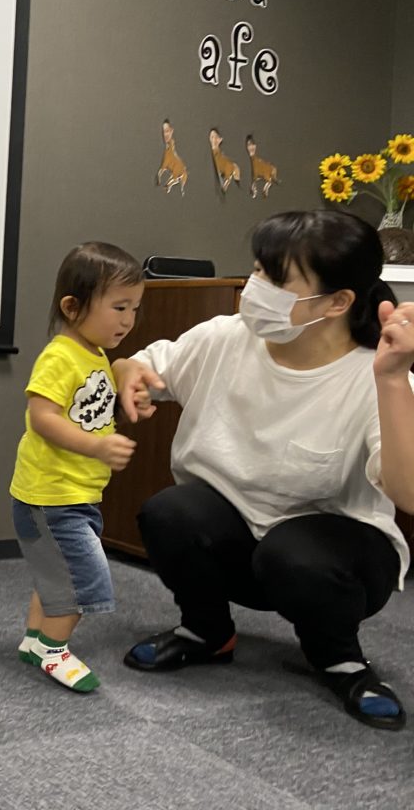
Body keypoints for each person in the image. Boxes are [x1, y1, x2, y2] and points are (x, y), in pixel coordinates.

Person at [116, 209, 413, 731]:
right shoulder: (224, 338)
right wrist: (129, 374)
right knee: (169, 513)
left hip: (337, 562)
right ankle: (207, 633)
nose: (255, 288)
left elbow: (408, 494)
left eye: (276, 279)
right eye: (257, 269)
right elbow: (141, 364)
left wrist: (392, 380)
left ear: (338, 302)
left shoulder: (373, 373)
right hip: (241, 549)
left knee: (291, 553)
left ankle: (339, 659)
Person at [11, 242, 144, 692]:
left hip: (76, 493)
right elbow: (42, 417)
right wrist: (97, 447)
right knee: (81, 580)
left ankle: (35, 640)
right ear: (72, 307)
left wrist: (126, 399)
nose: (128, 320)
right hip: (51, 497)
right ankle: (54, 650)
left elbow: (91, 407)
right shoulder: (60, 356)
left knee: (56, 572)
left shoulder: (95, 354)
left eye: (135, 308)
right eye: (119, 307)